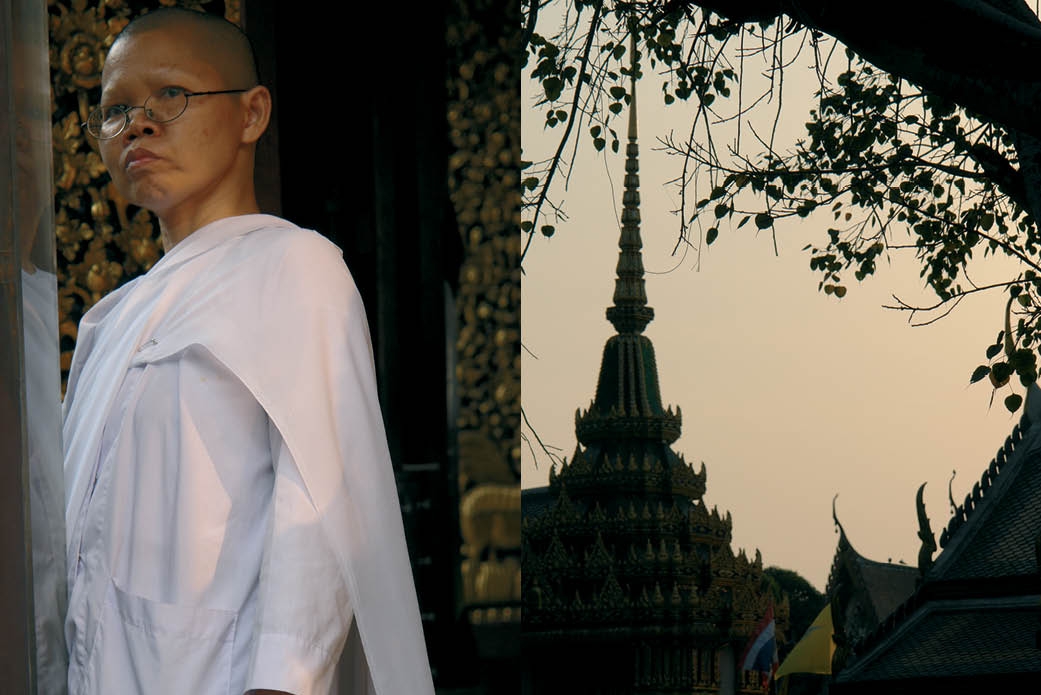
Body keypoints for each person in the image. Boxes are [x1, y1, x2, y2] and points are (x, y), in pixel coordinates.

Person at [62, 8, 435, 695]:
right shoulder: (108, 321)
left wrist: (281, 685)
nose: (137, 124)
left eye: (170, 95)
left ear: (252, 113)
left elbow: (320, 504)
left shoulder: (295, 266)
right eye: (114, 110)